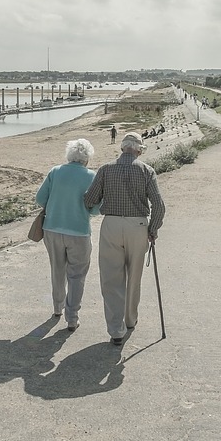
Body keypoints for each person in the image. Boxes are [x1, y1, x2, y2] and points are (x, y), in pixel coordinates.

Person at [83, 132, 165, 346]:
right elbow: (159, 204)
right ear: (138, 150)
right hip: (138, 225)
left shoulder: (105, 169)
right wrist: (153, 228)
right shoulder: (147, 170)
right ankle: (130, 319)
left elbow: (90, 199)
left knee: (111, 278)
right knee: (134, 275)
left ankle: (115, 330)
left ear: (122, 148)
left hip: (111, 224)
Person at [35, 138, 99, 331]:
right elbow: (96, 210)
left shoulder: (55, 172)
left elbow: (40, 199)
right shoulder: (91, 176)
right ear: (87, 158)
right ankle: (72, 317)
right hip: (78, 232)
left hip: (52, 229)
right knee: (77, 275)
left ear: (69, 155)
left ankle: (57, 307)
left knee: (57, 269)